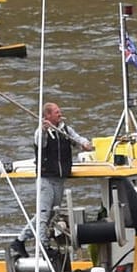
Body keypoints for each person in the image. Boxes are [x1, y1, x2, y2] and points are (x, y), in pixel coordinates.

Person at [12, 101, 94, 256]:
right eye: (56, 112)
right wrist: (44, 130)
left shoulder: (65, 129)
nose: (60, 113)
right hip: (46, 179)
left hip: (59, 179)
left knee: (49, 214)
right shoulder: (40, 132)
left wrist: (85, 144)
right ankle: (43, 246)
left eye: (59, 111)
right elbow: (40, 144)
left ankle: (20, 240)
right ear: (48, 115)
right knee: (43, 214)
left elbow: (77, 139)